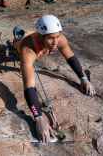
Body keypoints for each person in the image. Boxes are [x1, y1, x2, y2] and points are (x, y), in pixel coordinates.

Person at [12, 14, 96, 143]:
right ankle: (17, 35)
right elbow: (29, 86)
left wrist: (83, 78)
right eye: (51, 38)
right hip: (24, 45)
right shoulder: (27, 51)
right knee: (18, 42)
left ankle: (22, 32)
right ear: (41, 36)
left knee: (29, 35)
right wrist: (38, 117)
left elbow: (71, 58)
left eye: (57, 36)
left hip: (36, 41)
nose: (56, 42)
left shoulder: (58, 38)